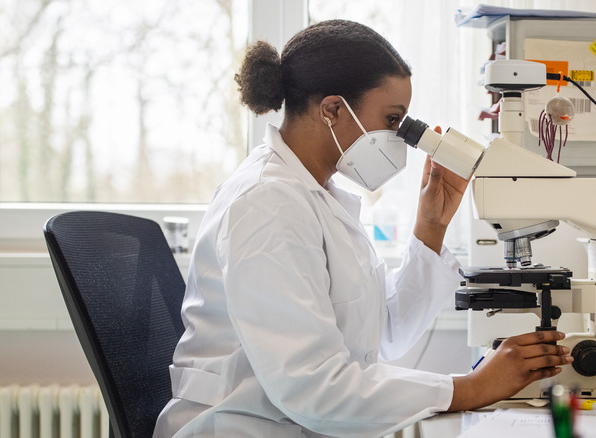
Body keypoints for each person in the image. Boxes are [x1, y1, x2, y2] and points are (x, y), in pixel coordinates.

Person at [153, 19, 573, 438]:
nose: (399, 137)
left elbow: (382, 334)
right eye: (392, 120)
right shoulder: (267, 204)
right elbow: (314, 387)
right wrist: (471, 388)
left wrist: (432, 226)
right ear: (333, 110)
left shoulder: (318, 195)